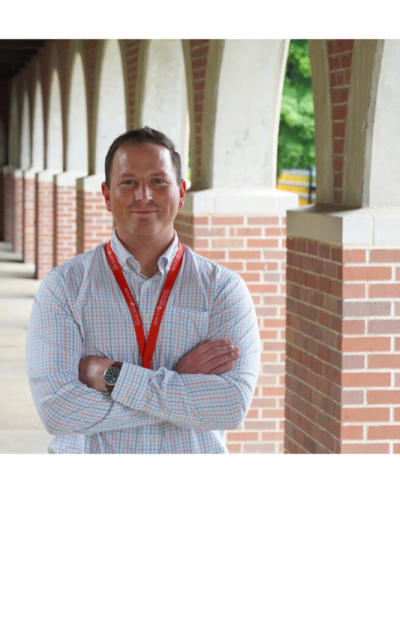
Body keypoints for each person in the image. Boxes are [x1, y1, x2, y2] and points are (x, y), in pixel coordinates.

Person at [25, 127, 259, 454]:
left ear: (182, 192)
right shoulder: (65, 287)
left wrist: (110, 376)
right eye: (129, 182)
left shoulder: (222, 289)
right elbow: (58, 410)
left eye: (158, 181)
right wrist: (178, 382)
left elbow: (230, 406)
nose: (143, 195)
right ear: (107, 195)